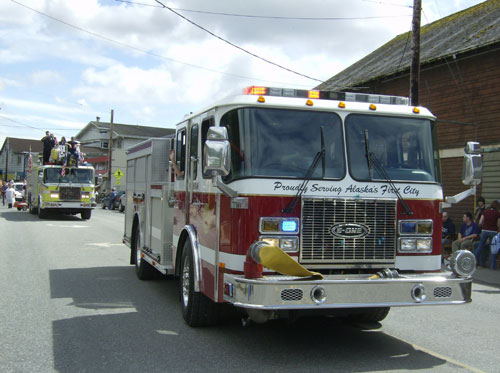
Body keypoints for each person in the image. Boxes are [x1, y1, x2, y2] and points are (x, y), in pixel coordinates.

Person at [474, 200, 500, 267]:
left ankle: (473, 260)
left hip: (484, 230)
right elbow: (498, 224)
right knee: (492, 248)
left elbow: (480, 222)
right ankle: (492, 266)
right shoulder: (498, 213)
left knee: (480, 246)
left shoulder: (485, 212)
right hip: (493, 231)